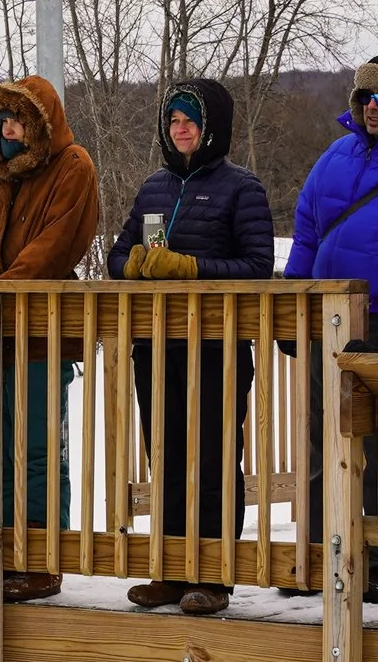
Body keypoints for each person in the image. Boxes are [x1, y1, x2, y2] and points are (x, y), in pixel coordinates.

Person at [107, 79, 275, 616]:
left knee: (215, 456)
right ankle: (171, 568)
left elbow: (258, 266)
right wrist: (133, 264)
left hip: (217, 346)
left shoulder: (241, 187)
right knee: (166, 454)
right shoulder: (154, 187)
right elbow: (116, 255)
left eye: (190, 121)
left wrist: (191, 268)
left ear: (211, 128)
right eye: (173, 121)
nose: (180, 129)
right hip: (157, 345)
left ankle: (214, 574)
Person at [284, 52, 378, 605]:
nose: (372, 108)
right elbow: (306, 232)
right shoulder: (335, 155)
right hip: (327, 315)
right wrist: (293, 306)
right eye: (365, 97)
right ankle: (319, 552)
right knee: (322, 437)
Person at [0, 73, 101, 600]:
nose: (9, 127)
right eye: (2, 120)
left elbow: (54, 246)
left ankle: (41, 560)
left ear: (41, 122)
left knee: (37, 448)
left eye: (18, 118)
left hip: (41, 332)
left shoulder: (73, 166)